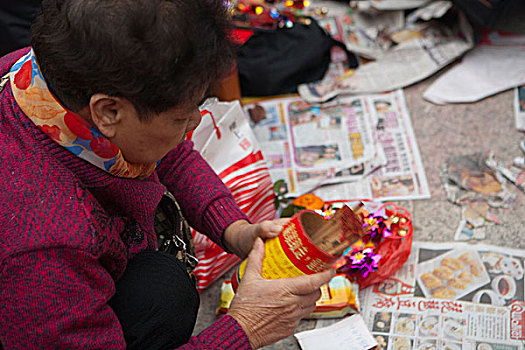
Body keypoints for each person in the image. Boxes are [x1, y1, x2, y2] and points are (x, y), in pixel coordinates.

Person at [0, 0, 334, 349]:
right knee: (164, 298)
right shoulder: (44, 246)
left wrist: (235, 230)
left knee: (160, 286)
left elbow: (166, 152)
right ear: (109, 111)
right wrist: (247, 327)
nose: (195, 123)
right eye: (181, 117)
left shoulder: (46, 75)